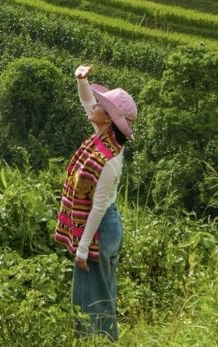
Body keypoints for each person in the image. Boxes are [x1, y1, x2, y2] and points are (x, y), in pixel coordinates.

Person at [53, 64, 138, 341]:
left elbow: (98, 208)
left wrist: (82, 249)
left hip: (101, 229)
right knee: (104, 290)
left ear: (109, 119)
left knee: (92, 297)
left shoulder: (109, 161)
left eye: (103, 106)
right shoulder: (103, 139)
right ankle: (104, 340)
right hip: (107, 228)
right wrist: (82, 80)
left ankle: (98, 341)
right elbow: (87, 101)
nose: (96, 106)